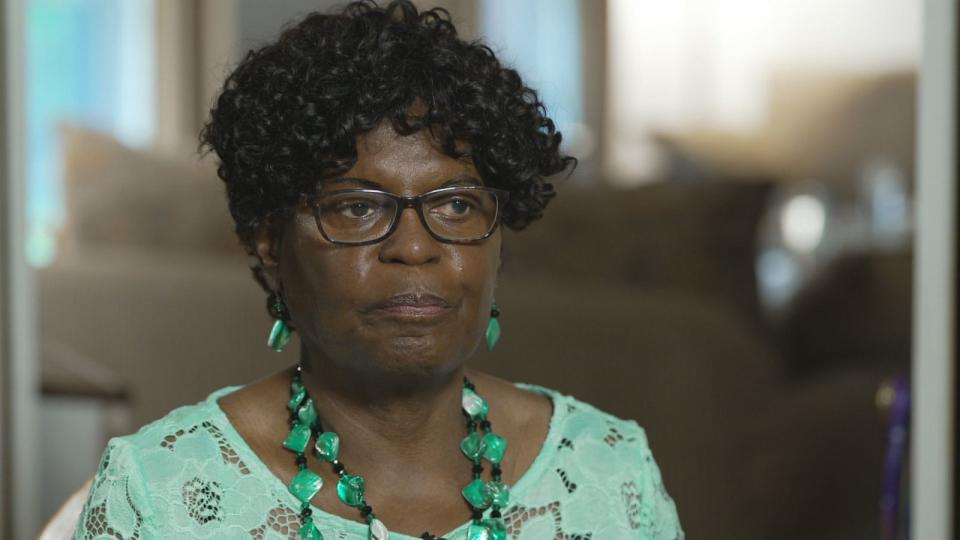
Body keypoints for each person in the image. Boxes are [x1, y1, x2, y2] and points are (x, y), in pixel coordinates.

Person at [72, 2, 683, 539]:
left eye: (456, 205)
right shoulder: (158, 493)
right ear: (269, 244)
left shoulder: (611, 470)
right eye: (359, 207)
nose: (414, 248)